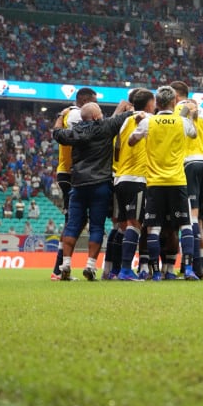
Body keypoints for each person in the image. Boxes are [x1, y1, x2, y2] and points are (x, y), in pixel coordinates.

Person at [53, 99, 135, 281]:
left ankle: (65, 265)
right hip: (100, 184)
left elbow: (57, 133)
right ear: (97, 116)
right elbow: (126, 116)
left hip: (78, 185)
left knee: (73, 225)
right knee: (97, 226)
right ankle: (90, 266)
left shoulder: (74, 131)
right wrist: (127, 108)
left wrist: (60, 115)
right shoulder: (106, 127)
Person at [128, 85, 199, 281]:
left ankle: (156, 272)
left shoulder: (148, 122)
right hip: (177, 181)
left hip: (155, 182)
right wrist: (186, 114)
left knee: (154, 227)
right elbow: (193, 134)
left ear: (157, 103)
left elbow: (131, 141)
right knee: (185, 225)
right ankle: (188, 269)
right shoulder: (182, 122)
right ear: (174, 102)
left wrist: (139, 125)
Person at [170, 81, 203, 279]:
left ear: (176, 96)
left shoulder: (178, 110)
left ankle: (196, 266)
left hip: (189, 163)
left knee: (193, 215)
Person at [51, 87, 98, 280]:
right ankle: (58, 269)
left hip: (69, 172)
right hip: (71, 173)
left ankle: (59, 268)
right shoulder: (75, 114)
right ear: (85, 101)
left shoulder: (68, 114)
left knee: (76, 220)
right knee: (73, 221)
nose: (97, 106)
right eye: (94, 102)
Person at [112, 88, 156, 281]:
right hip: (138, 178)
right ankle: (125, 269)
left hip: (120, 177)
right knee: (135, 224)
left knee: (124, 225)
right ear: (149, 104)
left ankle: (116, 269)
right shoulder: (150, 120)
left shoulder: (124, 121)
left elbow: (117, 148)